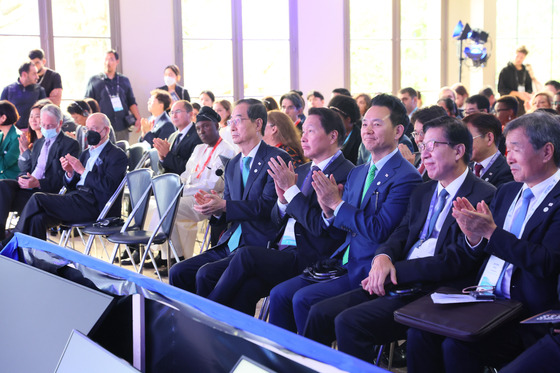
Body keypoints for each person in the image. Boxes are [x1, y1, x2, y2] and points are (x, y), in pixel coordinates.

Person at [303, 116, 496, 362]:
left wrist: (396, 270)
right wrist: (383, 257)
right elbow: (400, 233)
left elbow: (457, 260)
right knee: (319, 312)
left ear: (458, 151)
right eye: (422, 145)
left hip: (433, 289)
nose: (424, 154)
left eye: (432, 146)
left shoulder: (483, 195)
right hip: (395, 278)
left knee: (349, 323)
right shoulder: (424, 190)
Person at [407, 112, 560, 373]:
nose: (508, 157)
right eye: (506, 148)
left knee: (456, 347)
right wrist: (474, 237)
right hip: (483, 297)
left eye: (516, 149)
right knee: (419, 333)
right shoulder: (508, 191)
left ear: (547, 152)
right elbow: (481, 251)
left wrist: (491, 233)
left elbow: (546, 262)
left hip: (524, 310)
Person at [267, 94, 423, 333]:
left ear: (398, 130)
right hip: (340, 260)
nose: (368, 130)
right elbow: (339, 226)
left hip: (366, 267)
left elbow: (379, 230)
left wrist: (337, 204)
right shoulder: (358, 172)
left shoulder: (406, 176)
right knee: (279, 293)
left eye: (377, 124)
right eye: (366, 123)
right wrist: (328, 211)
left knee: (304, 300)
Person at [206, 107, 355, 315]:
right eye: (303, 131)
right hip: (280, 248)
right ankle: (239, 342)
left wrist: (292, 191)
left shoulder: (347, 174)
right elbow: (276, 219)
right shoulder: (301, 170)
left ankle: (204, 313)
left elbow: (319, 227)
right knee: (244, 288)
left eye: (310, 131)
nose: (303, 138)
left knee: (245, 255)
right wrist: (283, 201)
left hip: (310, 255)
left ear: (332, 136)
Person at [168, 99, 292, 295]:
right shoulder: (233, 164)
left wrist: (225, 205)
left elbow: (268, 207)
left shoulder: (276, 158)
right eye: (231, 120)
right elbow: (226, 213)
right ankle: (186, 322)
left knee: (205, 274)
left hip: (257, 243)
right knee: (178, 271)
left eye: (238, 120)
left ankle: (210, 324)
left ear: (258, 124)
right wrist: (215, 209)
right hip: (230, 242)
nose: (231, 126)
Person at [2, 113, 127, 243]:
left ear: (106, 130)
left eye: (94, 129)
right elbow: (71, 186)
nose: (90, 132)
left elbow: (109, 186)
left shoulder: (117, 155)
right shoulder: (86, 154)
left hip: (95, 205)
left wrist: (82, 171)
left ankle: (9, 241)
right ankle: (34, 259)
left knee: (38, 198)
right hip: (76, 198)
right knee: (37, 218)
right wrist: (70, 174)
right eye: (87, 129)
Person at [146, 106, 235, 268]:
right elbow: (186, 175)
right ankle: (166, 254)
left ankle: (177, 257)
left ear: (217, 126)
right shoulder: (198, 149)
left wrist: (180, 191)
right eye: (198, 128)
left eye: (206, 126)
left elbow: (215, 184)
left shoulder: (227, 150)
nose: (201, 131)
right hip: (188, 195)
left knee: (168, 207)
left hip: (210, 200)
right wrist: (176, 187)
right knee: (153, 204)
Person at [0, 104, 79, 240]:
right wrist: (23, 178)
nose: (46, 129)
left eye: (50, 126)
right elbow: (27, 169)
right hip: (29, 190)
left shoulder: (69, 144)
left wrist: (38, 183)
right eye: (44, 125)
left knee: (36, 214)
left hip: (46, 194)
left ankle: (11, 239)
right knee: (3, 185)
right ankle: (1, 233)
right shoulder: (38, 143)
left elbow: (63, 178)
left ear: (59, 123)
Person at [84, 50, 141, 141]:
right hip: (101, 127)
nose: (108, 62)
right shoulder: (94, 80)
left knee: (122, 150)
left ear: (117, 62)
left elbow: (131, 101)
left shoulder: (124, 80)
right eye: (106, 59)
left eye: (111, 59)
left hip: (121, 125)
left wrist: (138, 118)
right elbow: (87, 103)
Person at [153, 100, 202, 175]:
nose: (174, 116)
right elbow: (163, 169)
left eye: (178, 112)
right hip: (169, 181)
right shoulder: (173, 136)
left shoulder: (199, 135)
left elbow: (190, 169)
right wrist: (162, 158)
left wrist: (167, 155)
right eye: (172, 113)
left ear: (190, 114)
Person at [400, 105, 448, 182]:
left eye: (423, 133)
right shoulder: (414, 157)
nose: (418, 139)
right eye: (416, 133)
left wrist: (409, 170)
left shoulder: (445, 166)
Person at [464, 113, 513, 187]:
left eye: (468, 139)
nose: (463, 145)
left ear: (489, 138)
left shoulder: (508, 171)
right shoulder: (464, 167)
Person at [1, 62, 46, 130]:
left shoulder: (40, 90)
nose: (37, 76)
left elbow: (44, 113)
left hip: (34, 133)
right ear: (24, 74)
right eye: (34, 74)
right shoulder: (8, 90)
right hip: (12, 133)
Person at [497, 46, 534, 112]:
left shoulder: (526, 71)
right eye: (517, 56)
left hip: (523, 106)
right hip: (509, 105)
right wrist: (518, 94)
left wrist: (527, 95)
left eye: (522, 57)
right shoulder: (505, 71)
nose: (519, 59)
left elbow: (529, 88)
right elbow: (501, 89)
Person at [328, 95, 361, 165]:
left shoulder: (360, 139)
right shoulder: (331, 134)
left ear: (348, 119)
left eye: (336, 117)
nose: (332, 121)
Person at [0, 101, 22, 180]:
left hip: (9, 180)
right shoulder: (1, 135)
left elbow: (2, 165)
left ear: (3, 118)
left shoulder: (18, 137)